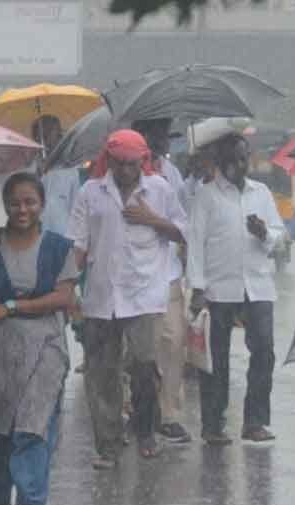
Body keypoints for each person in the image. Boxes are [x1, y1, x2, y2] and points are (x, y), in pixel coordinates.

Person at [68, 130, 187, 467]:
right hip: (101, 295)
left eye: (132, 164)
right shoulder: (91, 193)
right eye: (119, 164)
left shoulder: (160, 190)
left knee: (144, 366)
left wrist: (153, 219)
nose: (125, 171)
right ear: (109, 161)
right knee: (102, 373)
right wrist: (67, 289)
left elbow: (183, 231)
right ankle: (107, 444)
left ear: (143, 162)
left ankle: (146, 432)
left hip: (145, 294)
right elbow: (77, 244)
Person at [0, 172, 78, 505]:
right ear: (6, 204)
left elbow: (64, 298)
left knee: (32, 432)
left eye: (30, 202)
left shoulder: (60, 248)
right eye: (15, 202)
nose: (22, 209)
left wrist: (12, 307)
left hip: (45, 348)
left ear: (42, 205)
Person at [187, 134, 285, 445]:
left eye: (242, 158)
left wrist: (264, 233)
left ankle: (254, 422)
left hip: (257, 285)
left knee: (264, 352)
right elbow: (195, 246)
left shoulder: (262, 193)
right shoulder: (206, 196)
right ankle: (213, 425)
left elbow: (281, 236)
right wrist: (198, 288)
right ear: (219, 162)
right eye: (231, 159)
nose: (238, 165)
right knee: (216, 359)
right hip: (219, 288)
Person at [134, 118, 191, 444]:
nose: (162, 143)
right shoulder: (119, 175)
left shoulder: (172, 176)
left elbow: (182, 226)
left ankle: (168, 414)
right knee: (139, 353)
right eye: (155, 137)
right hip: (132, 280)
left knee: (173, 342)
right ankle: (137, 410)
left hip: (167, 274)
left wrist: (156, 221)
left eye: (164, 137)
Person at [33, 115, 80, 237]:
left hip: (62, 238)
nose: (43, 139)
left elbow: (76, 210)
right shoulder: (30, 170)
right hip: (34, 239)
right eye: (40, 135)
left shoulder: (70, 170)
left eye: (49, 134)